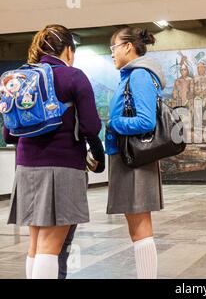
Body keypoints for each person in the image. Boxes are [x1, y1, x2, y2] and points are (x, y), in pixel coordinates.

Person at [3, 24, 102, 279]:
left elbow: (8, 133)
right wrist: (97, 155)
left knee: (35, 246)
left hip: (25, 168)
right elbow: (91, 126)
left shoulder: (21, 78)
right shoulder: (74, 76)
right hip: (63, 167)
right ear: (68, 50)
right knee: (51, 246)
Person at [105, 26, 166, 279]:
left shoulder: (139, 75)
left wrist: (112, 123)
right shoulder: (134, 75)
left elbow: (145, 122)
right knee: (137, 230)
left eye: (113, 48)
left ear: (128, 47)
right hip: (131, 159)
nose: (111, 54)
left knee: (141, 230)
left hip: (135, 160)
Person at [58, 135, 105, 279]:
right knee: (62, 241)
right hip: (69, 169)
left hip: (28, 169)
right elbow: (90, 126)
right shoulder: (71, 110)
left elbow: (8, 136)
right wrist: (99, 159)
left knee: (36, 244)